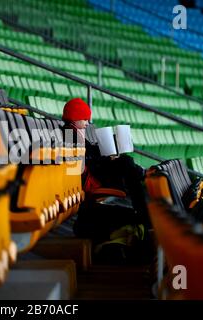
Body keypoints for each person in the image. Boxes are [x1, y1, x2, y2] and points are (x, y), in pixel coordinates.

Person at [62, 97, 152, 264]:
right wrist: (105, 159)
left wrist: (107, 155)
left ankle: (144, 190)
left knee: (125, 162)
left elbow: (89, 153)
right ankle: (145, 187)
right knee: (126, 164)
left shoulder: (74, 133)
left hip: (95, 173)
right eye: (85, 120)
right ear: (75, 119)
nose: (88, 123)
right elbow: (79, 166)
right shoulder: (69, 135)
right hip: (92, 179)